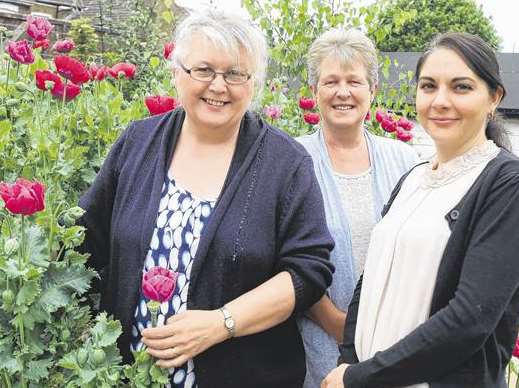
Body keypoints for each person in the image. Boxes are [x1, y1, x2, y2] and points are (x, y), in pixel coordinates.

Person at [79, 7, 334, 388]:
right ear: (177, 73)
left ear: (253, 83)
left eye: (235, 73)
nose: (219, 86)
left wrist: (221, 323)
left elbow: (308, 270)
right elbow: (86, 240)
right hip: (129, 375)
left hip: (244, 375)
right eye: (203, 70)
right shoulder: (137, 143)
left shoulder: (286, 164)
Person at [322, 32, 519, 388]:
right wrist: (348, 361)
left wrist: (362, 377)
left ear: (494, 97)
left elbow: (469, 319)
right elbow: (370, 280)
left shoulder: (508, 185)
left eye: (461, 87)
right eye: (428, 86)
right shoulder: (413, 178)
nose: (440, 101)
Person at [296, 28, 419, 388]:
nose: (343, 92)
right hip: (317, 347)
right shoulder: (293, 160)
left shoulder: (405, 159)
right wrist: (343, 327)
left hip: (395, 345)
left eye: (355, 81)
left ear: (373, 91)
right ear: (314, 91)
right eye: (331, 81)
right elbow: (286, 259)